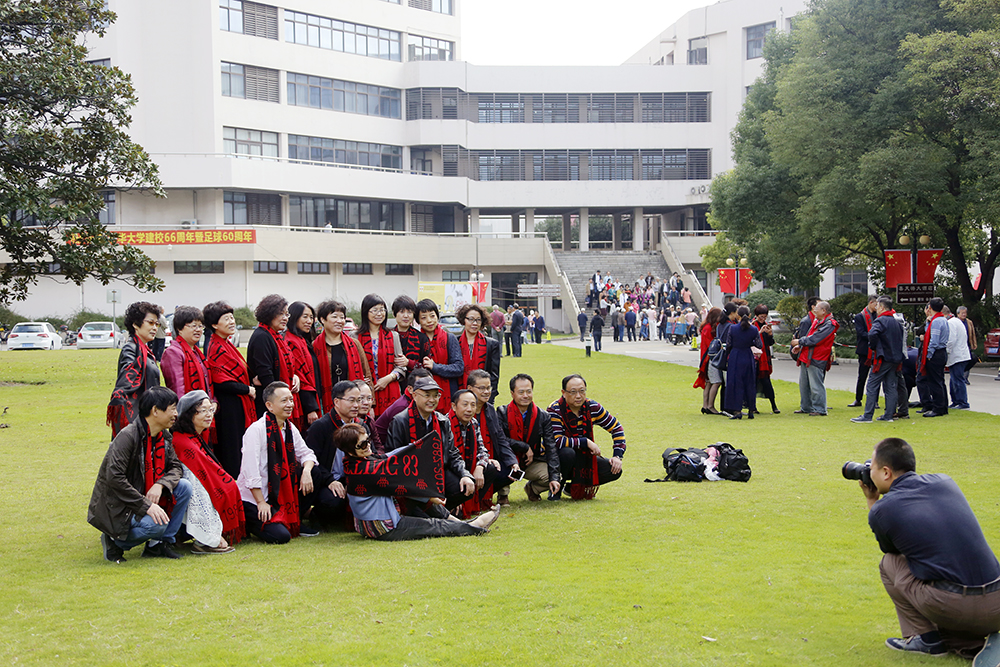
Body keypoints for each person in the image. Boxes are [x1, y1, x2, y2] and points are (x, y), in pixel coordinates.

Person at [861, 437, 1000, 661]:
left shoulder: (883, 509)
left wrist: (872, 501)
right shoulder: (945, 481)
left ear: (886, 472)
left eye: (872, 468)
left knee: (889, 563)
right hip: (997, 601)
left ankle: (926, 639)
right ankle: (968, 642)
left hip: (956, 607)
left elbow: (894, 551)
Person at [338, 424, 499, 540]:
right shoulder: (366, 471)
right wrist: (429, 496)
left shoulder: (356, 462)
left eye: (368, 440)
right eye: (362, 444)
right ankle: (474, 527)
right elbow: (399, 483)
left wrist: (418, 445)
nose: (368, 446)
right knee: (431, 525)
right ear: (350, 450)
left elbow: (389, 456)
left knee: (429, 510)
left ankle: (466, 524)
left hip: (380, 519)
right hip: (382, 526)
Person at [89, 386, 193, 563]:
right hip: (120, 506)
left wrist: (160, 484)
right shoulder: (127, 437)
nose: (176, 413)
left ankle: (158, 545)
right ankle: (114, 541)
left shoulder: (163, 436)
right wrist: (146, 505)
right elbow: (115, 478)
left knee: (184, 487)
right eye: (172, 408)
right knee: (157, 525)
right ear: (155, 411)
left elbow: (176, 468)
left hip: (143, 497)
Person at [236, 381, 320, 543]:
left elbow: (307, 454)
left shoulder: (289, 427)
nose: (290, 405)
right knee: (281, 536)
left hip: (280, 492)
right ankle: (251, 522)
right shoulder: (256, 430)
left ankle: (295, 517)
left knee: (314, 472)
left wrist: (307, 472)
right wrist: (261, 502)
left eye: (291, 400)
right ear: (269, 405)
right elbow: (250, 470)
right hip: (255, 497)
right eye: (284, 401)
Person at [386, 376, 475, 513]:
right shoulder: (400, 421)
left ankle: (440, 510)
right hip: (411, 475)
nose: (432, 400)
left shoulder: (442, 421)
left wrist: (465, 474)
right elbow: (394, 458)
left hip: (437, 472)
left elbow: (452, 453)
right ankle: (434, 512)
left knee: (465, 487)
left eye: (436, 395)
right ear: (414, 395)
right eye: (427, 395)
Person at [170, 390, 243, 554]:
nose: (209, 415)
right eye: (203, 411)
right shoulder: (183, 442)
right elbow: (197, 486)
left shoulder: (194, 436)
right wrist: (211, 536)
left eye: (211, 409)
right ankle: (204, 541)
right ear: (189, 415)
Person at [548, 374, 625, 500]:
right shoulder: (555, 410)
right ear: (563, 393)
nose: (578, 396)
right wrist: (586, 442)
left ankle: (572, 487)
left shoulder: (592, 407)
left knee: (614, 470)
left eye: (582, 391)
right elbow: (557, 441)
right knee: (567, 453)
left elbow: (616, 428)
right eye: (573, 392)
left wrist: (617, 456)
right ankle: (556, 488)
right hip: (559, 458)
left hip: (583, 457)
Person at [302, 380, 366, 527]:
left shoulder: (361, 425)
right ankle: (311, 514)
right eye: (352, 400)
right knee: (333, 503)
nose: (357, 405)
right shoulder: (321, 426)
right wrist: (330, 480)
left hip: (351, 477)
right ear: (336, 401)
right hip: (326, 480)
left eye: (359, 400)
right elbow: (312, 460)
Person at [204, 301, 256, 478]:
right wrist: (247, 389)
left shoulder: (227, 343)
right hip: (229, 407)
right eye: (226, 319)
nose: (231, 321)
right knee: (233, 450)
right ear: (214, 325)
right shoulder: (215, 347)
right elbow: (221, 381)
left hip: (238, 404)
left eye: (232, 318)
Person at [498, 373, 560, 502]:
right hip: (507, 459)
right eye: (521, 392)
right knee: (498, 463)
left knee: (553, 476)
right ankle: (503, 494)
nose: (525, 396)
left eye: (528, 391)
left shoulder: (543, 416)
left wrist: (554, 477)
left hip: (531, 462)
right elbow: (500, 440)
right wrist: (524, 447)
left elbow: (550, 446)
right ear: (512, 393)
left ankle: (533, 489)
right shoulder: (502, 413)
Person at [107, 301, 162, 437]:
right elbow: (126, 381)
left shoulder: (146, 350)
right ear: (136, 324)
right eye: (150, 323)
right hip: (135, 417)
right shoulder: (131, 349)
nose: (154, 327)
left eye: (157, 324)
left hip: (149, 414)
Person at [466, 369, 519, 506]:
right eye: (482, 388)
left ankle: (484, 496)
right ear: (470, 389)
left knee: (510, 471)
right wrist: (483, 460)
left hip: (488, 458)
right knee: (490, 468)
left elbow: (500, 438)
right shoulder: (463, 410)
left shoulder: (490, 409)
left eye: (489, 387)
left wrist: (513, 462)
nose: (486, 391)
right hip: (468, 460)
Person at [246, 294, 301, 420]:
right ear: (269, 314)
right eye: (281, 314)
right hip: (270, 402)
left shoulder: (275, 336)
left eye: (287, 314)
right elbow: (265, 373)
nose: (285, 318)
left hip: (280, 397)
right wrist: (282, 395)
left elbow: (287, 365)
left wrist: (294, 377)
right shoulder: (262, 336)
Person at [851, 296, 903, 423]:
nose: (877, 309)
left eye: (878, 306)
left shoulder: (880, 321)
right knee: (891, 386)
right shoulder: (896, 322)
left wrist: (874, 346)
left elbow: (872, 334)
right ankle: (889, 415)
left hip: (882, 357)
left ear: (882, 307)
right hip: (895, 358)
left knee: (872, 385)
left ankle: (867, 415)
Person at [313, 299, 370, 416]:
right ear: (322, 320)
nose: (340, 321)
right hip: (327, 403)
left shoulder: (354, 344)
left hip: (353, 403)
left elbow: (366, 373)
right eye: (334, 317)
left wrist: (369, 403)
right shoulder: (315, 346)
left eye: (342, 317)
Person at [357, 294, 407, 418]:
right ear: (365, 312)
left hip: (390, 390)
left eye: (382, 310)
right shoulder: (355, 336)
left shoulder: (393, 336)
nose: (379, 314)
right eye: (374, 310)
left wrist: (389, 378)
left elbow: (401, 367)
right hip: (364, 393)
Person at [791, 300, 838, 416]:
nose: (814, 310)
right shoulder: (817, 321)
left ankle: (820, 409)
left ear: (823, 311)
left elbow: (815, 338)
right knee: (804, 384)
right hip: (806, 356)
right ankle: (806, 407)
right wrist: (800, 345)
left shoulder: (830, 324)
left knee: (816, 384)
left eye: (816, 308)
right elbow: (810, 336)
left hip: (817, 357)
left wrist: (799, 341)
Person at [160, 306, 213, 405]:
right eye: (193, 326)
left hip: (204, 410)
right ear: (179, 329)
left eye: (200, 326)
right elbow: (177, 389)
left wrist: (213, 402)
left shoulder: (197, 352)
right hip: (188, 412)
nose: (198, 330)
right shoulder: (173, 352)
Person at [416, 298, 464, 407]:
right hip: (424, 396)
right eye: (424, 317)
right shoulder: (416, 340)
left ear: (437, 316)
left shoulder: (449, 338)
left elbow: (459, 368)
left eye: (432, 316)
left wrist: (435, 367)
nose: (429, 320)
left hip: (449, 394)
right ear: (418, 321)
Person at [285, 301, 321, 431]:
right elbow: (302, 377)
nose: (309, 321)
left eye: (311, 317)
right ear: (294, 317)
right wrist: (311, 408)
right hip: (302, 404)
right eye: (304, 316)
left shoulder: (302, 340)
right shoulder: (291, 342)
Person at [374, 367, 432, 446]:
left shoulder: (426, 404)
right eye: (422, 387)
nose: (427, 389)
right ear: (410, 389)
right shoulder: (402, 407)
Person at [456, 303, 501, 404]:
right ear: (464, 320)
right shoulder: (454, 342)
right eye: (471, 319)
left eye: (478, 320)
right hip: (459, 395)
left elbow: (494, 375)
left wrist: (490, 398)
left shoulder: (491, 344)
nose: (474, 323)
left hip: (483, 396)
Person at [723, 305, 762, 420]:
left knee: (736, 384)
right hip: (748, 356)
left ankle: (737, 410)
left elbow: (728, 344)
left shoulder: (733, 328)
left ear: (738, 315)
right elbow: (759, 345)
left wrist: (726, 357)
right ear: (750, 315)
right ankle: (751, 410)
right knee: (749, 383)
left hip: (736, 356)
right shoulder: (754, 329)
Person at [916, 297, 949, 418]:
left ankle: (938, 408)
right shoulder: (943, 319)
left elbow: (934, 341)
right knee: (940, 381)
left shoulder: (936, 321)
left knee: (934, 382)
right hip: (941, 352)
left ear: (930, 307)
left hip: (936, 353)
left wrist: (929, 355)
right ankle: (942, 406)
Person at [391, 295, 432, 380]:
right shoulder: (387, 336)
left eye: (409, 312)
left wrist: (408, 363)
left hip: (415, 384)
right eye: (401, 312)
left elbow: (427, 367)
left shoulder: (422, 338)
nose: (406, 316)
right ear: (394, 314)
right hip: (391, 383)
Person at [695, 307, 724, 415]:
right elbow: (711, 345)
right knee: (716, 382)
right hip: (709, 358)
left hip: (706, 358)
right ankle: (710, 406)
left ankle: (705, 405)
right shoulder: (709, 328)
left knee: (709, 383)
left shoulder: (706, 327)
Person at [850, 296, 878, 408]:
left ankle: (874, 400)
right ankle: (858, 399)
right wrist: (874, 337)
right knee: (862, 376)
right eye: (876, 304)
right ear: (871, 303)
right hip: (865, 350)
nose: (878, 306)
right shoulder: (860, 317)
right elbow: (861, 333)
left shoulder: (878, 316)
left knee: (876, 376)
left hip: (876, 350)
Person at [751, 304, 779, 414]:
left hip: (764, 358)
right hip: (755, 357)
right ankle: (752, 407)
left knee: (766, 382)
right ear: (756, 316)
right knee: (752, 382)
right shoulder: (752, 326)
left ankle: (774, 405)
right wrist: (760, 332)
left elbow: (770, 343)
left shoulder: (767, 325)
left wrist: (770, 334)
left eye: (764, 317)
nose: (763, 319)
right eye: (761, 317)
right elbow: (750, 340)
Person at [945, 306, 971, 411]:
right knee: (954, 379)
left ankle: (962, 402)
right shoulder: (957, 321)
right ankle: (956, 401)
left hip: (957, 355)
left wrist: (946, 351)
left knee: (958, 379)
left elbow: (951, 340)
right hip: (960, 355)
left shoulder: (951, 323)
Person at [957, 306, 978, 385]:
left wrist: (974, 343)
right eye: (962, 313)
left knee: (968, 360)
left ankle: (965, 377)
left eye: (965, 313)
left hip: (967, 344)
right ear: (958, 314)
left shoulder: (969, 322)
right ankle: (961, 376)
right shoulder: (955, 322)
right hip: (959, 346)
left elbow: (972, 334)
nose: (964, 315)